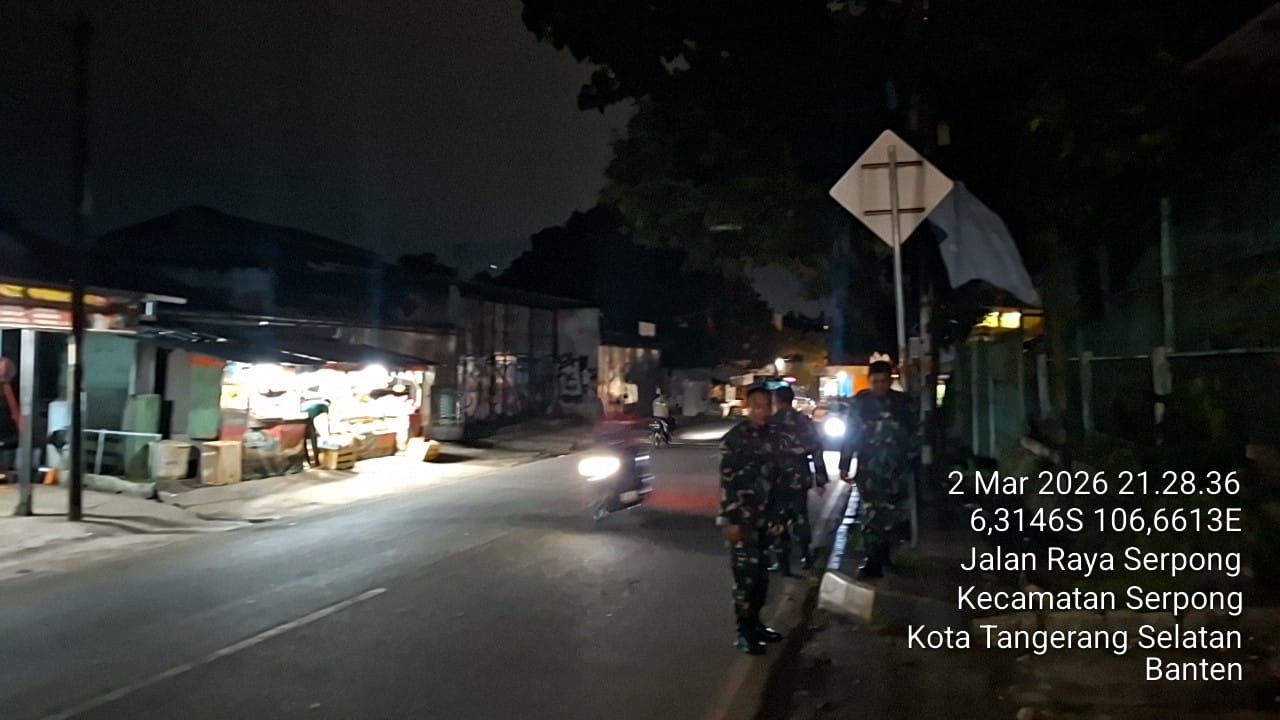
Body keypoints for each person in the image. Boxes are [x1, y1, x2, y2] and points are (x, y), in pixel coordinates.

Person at [718, 384, 785, 655]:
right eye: (757, 407)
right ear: (748, 408)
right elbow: (727, 483)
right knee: (745, 579)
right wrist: (731, 520)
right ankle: (743, 632)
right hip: (743, 521)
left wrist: (779, 516)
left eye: (767, 406)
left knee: (761, 577)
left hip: (765, 519)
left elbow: (778, 479)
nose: (763, 412)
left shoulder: (774, 436)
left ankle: (757, 625)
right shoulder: (735, 440)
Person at [839, 360, 917, 579]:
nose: (880, 386)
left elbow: (914, 433)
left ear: (890, 380)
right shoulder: (860, 404)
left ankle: (885, 556)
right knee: (872, 515)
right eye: (876, 381)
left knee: (893, 515)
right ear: (870, 381)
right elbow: (851, 433)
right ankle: (873, 560)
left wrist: (913, 461)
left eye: (884, 381)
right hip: (869, 469)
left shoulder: (903, 403)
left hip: (896, 469)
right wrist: (845, 463)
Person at [769, 384, 829, 573]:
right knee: (800, 515)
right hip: (799, 475)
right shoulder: (803, 421)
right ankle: (806, 555)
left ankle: (782, 562)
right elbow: (816, 449)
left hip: (777, 477)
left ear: (776, 401)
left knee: (778, 517)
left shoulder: (772, 422)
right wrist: (820, 479)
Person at [303, 398, 331, 466]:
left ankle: (308, 461)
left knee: (303, 442)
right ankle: (317, 461)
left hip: (300, 419)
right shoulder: (325, 405)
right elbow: (325, 419)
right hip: (309, 419)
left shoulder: (312, 402)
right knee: (314, 440)